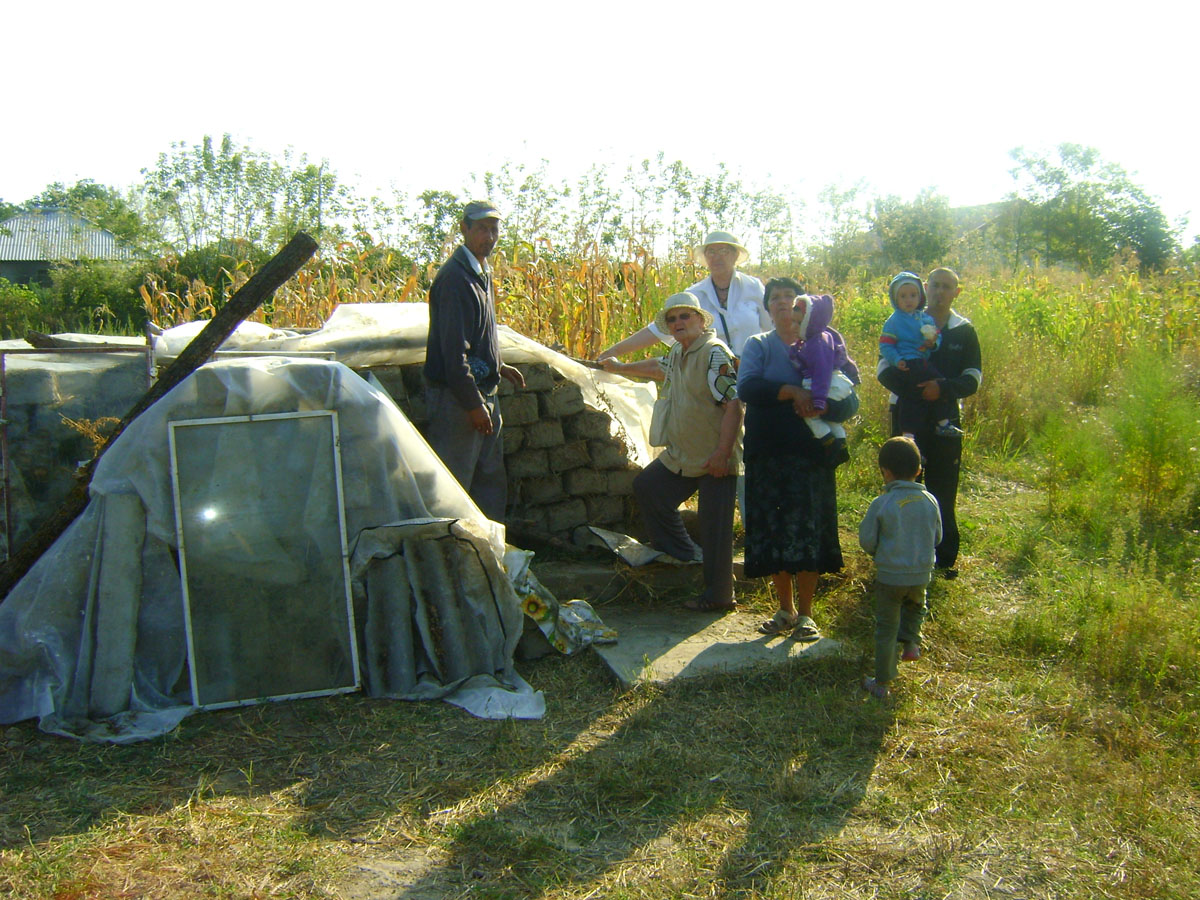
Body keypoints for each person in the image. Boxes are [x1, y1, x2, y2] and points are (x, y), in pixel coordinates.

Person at [600, 292, 743, 612]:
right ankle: (680, 551)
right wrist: (621, 367)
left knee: (715, 529)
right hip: (683, 453)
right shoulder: (681, 351)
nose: (678, 323)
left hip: (713, 456)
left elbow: (734, 405)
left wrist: (723, 453)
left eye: (685, 316)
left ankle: (720, 597)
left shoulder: (713, 353)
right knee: (649, 487)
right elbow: (659, 367)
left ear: (700, 321)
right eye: (672, 319)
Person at [737, 277, 845, 639]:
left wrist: (822, 404)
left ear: (805, 308)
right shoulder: (759, 345)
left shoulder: (825, 342)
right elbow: (747, 387)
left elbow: (848, 396)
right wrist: (792, 391)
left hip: (810, 456)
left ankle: (807, 615)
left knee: (808, 531)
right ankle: (785, 609)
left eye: (791, 297)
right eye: (775, 298)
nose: (783, 302)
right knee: (774, 531)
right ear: (767, 308)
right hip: (768, 454)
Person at [423, 200, 525, 522]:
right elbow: (453, 353)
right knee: (455, 487)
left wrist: (498, 365)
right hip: (457, 400)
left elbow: (478, 334)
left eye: (494, 229)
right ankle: (452, 547)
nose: (489, 237)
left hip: (482, 393)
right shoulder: (455, 279)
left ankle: (487, 547)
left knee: (489, 483)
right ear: (464, 229)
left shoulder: (481, 273)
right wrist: (473, 405)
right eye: (482, 229)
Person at [877, 267, 982, 578]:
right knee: (902, 485)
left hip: (945, 420)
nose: (939, 292)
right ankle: (898, 554)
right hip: (907, 416)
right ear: (925, 288)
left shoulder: (964, 330)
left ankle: (943, 559)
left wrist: (942, 389)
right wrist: (917, 392)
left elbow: (973, 378)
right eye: (935, 285)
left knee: (943, 489)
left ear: (956, 293)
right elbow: (883, 368)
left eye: (947, 287)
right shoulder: (901, 319)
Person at [595, 230, 768, 362]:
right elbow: (656, 331)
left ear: (735, 255)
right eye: (711, 252)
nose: (717, 257)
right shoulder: (694, 294)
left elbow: (772, 330)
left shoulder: (753, 287)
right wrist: (612, 353)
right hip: (712, 378)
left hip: (753, 371)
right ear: (705, 257)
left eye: (723, 251)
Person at [858, 437, 942, 700]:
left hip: (891, 576)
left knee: (886, 627)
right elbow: (938, 537)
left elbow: (867, 540)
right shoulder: (930, 500)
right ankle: (912, 642)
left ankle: (882, 682)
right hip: (921, 574)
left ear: (885, 472)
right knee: (916, 606)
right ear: (918, 470)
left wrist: (878, 553)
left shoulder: (882, 503)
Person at [879, 272, 960, 438]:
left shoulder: (924, 318)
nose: (908, 300)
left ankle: (935, 425)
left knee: (936, 387)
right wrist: (897, 360)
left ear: (920, 297)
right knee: (913, 394)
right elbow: (886, 345)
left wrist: (933, 343)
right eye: (903, 296)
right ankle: (916, 432)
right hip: (908, 362)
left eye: (913, 295)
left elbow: (936, 335)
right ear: (895, 299)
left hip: (922, 361)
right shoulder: (894, 321)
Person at [785, 288, 861, 465]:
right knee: (828, 419)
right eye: (793, 321)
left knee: (809, 413)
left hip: (829, 384)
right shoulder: (811, 341)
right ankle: (841, 445)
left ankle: (829, 441)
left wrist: (818, 400)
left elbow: (822, 372)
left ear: (810, 322)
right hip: (831, 382)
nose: (793, 327)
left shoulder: (819, 343)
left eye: (799, 323)